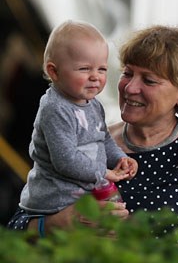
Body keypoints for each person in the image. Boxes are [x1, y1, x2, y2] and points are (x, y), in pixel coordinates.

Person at [8, 24, 178, 236]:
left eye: (149, 80)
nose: (130, 87)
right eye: (127, 73)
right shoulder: (88, 138)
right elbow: (17, 227)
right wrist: (55, 224)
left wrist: (134, 244)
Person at [11, 20, 138, 221]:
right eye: (84, 69)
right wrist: (104, 173)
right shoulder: (55, 108)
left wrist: (120, 158)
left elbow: (103, 139)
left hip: (88, 188)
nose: (95, 77)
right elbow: (65, 160)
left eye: (102, 69)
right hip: (57, 199)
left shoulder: (92, 103)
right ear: (54, 71)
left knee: (120, 217)